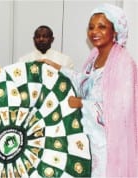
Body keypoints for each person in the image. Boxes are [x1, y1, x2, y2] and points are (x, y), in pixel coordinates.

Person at [40, 3, 138, 177]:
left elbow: (121, 110)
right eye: (91, 27)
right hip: (87, 138)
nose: (94, 32)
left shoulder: (123, 63)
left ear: (114, 31)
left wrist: (82, 105)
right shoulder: (94, 58)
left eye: (102, 27)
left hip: (107, 145)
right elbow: (83, 83)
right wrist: (57, 68)